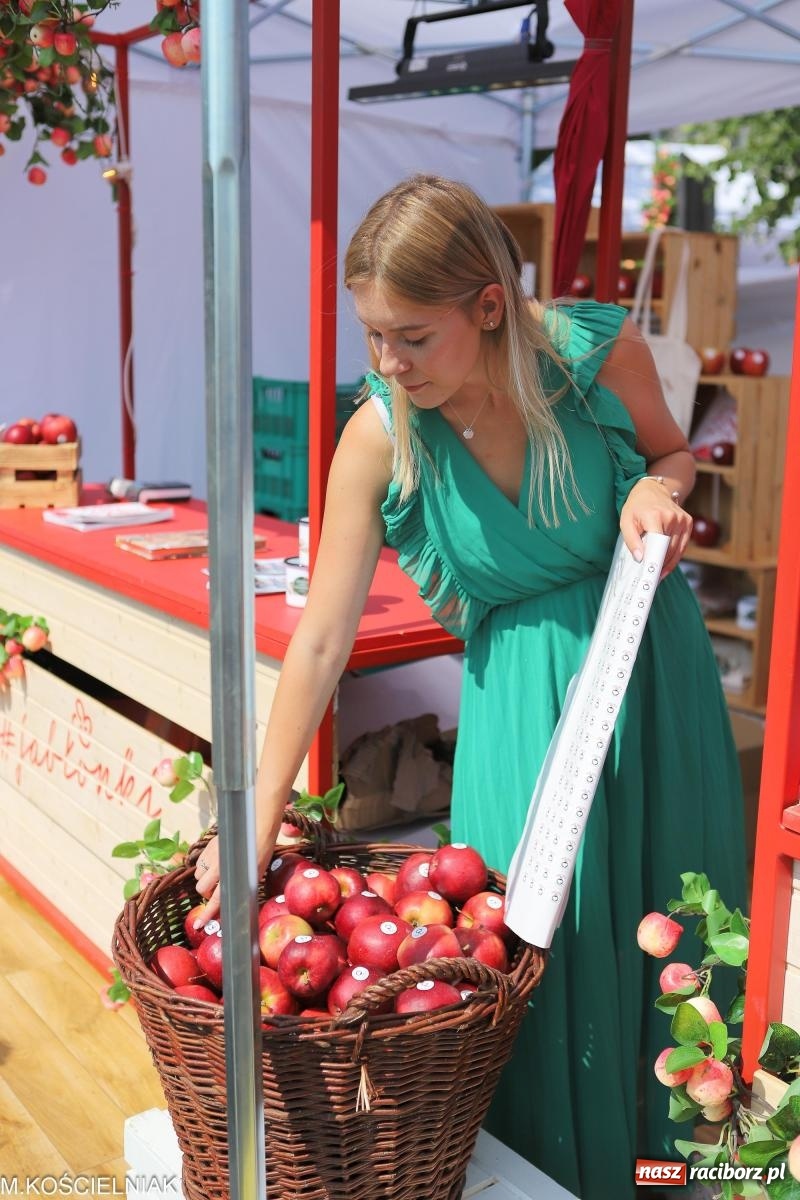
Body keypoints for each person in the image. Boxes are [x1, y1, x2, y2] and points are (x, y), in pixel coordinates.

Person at [195, 175, 746, 1200]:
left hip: (648, 679)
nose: (386, 363)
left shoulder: (595, 357)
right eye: (372, 336)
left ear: (488, 307)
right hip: (520, 717)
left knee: (673, 950)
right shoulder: (380, 434)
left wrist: (650, 486)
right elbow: (321, 640)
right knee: (531, 969)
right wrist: (253, 818)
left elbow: (674, 454)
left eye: (411, 336)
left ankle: (679, 1178)